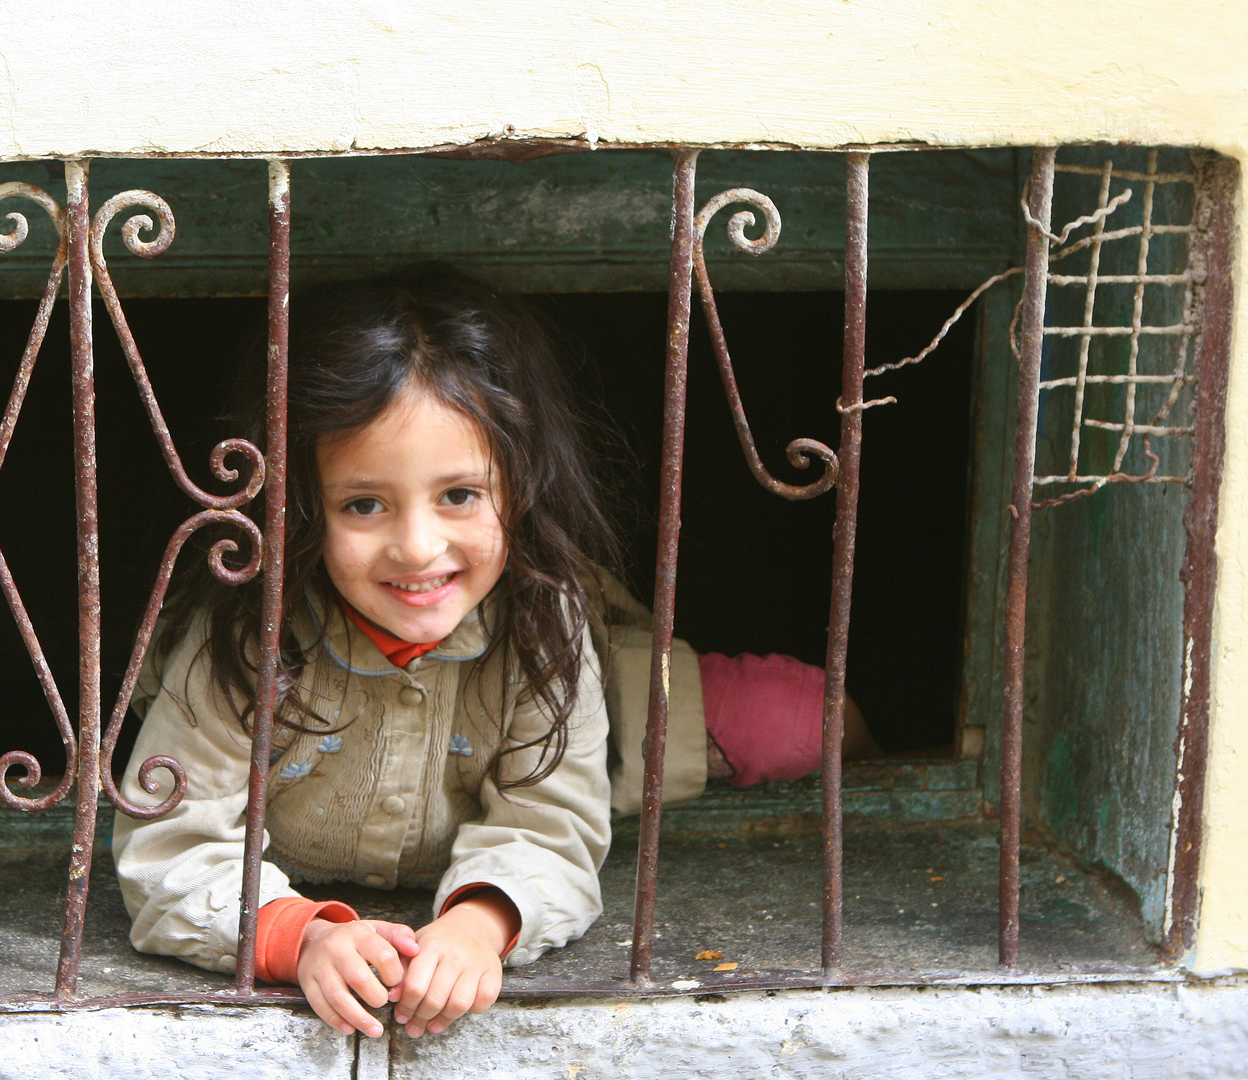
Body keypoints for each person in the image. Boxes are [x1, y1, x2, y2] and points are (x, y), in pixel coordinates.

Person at [113, 266, 874, 1041]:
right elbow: (171, 843)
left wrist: (481, 924)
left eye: (460, 495)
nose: (417, 547)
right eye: (363, 503)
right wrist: (295, 935)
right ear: (298, 503)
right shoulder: (239, 635)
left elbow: (551, 826)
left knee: (802, 720)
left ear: (522, 484)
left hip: (603, 702)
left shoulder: (548, 623)